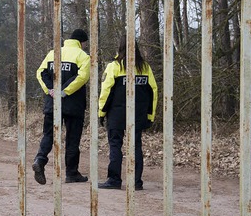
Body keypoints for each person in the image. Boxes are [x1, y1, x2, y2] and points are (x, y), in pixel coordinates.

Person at [98, 36, 157, 190]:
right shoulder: (145, 67)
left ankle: (114, 180)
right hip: (137, 114)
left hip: (116, 115)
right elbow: (153, 92)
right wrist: (150, 115)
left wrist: (101, 112)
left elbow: (106, 91)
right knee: (136, 146)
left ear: (120, 47)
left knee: (115, 145)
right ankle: (136, 182)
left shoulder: (114, 66)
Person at [32, 29, 90, 185]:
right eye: (85, 44)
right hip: (73, 105)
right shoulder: (83, 56)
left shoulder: (53, 53)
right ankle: (71, 173)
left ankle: (40, 159)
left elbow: (40, 73)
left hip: (53, 103)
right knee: (72, 138)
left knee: (48, 135)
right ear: (82, 42)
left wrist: (51, 90)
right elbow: (82, 77)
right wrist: (64, 91)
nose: (85, 46)